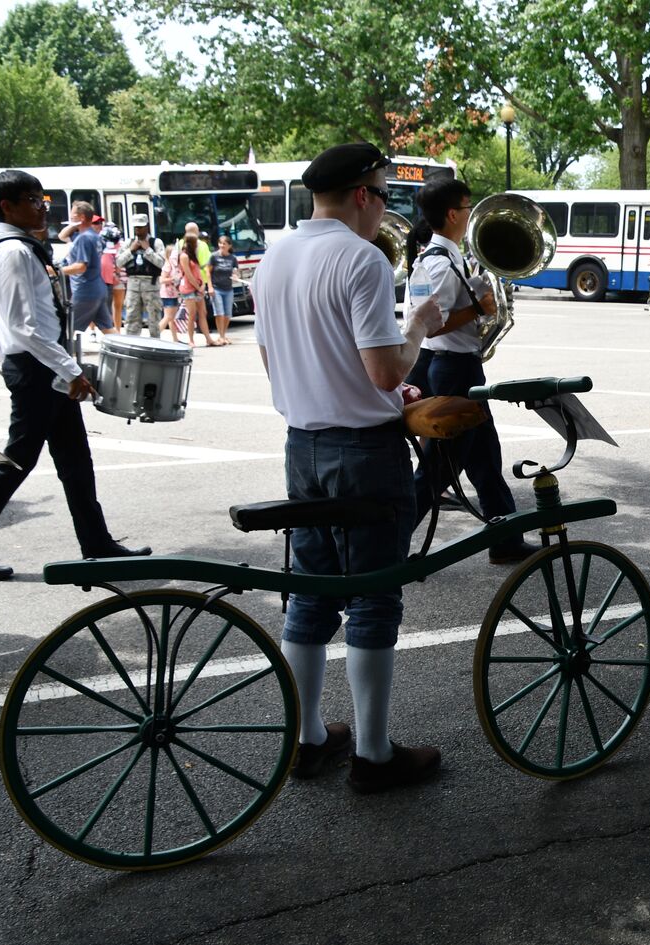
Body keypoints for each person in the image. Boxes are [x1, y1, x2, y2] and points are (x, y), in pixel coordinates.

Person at [252, 142, 444, 791]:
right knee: (372, 598)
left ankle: (307, 740)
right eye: (384, 194)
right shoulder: (360, 259)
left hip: (301, 445)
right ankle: (373, 754)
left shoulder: (273, 255)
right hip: (363, 453)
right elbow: (387, 366)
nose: (384, 207)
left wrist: (377, 394)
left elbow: (277, 363)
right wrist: (417, 325)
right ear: (363, 193)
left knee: (311, 592)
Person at [0, 171, 151, 581]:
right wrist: (69, 370)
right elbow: (23, 326)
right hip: (35, 368)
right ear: (7, 207)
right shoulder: (12, 251)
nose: (42, 207)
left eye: (42, 199)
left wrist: (66, 366)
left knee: (75, 460)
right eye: (32, 199)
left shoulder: (26, 248)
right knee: (18, 460)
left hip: (45, 365)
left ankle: (96, 542)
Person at [404, 177, 539, 565]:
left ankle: (506, 537)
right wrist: (481, 307)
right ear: (452, 214)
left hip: (453, 366)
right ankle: (389, 545)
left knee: (484, 459)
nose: (471, 213)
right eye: (467, 207)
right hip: (454, 369)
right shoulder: (441, 262)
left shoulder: (440, 259)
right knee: (438, 470)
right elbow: (432, 322)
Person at [60, 202, 113, 338]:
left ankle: (63, 358)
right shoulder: (95, 237)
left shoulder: (83, 238)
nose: (70, 217)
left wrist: (58, 271)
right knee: (109, 330)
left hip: (85, 291)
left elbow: (81, 266)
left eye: (73, 214)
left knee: (65, 329)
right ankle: (128, 355)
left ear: (81, 217)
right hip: (98, 289)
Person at [114, 213, 165, 338]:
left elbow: (161, 263)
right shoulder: (129, 243)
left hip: (151, 285)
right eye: (136, 227)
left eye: (141, 227)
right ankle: (133, 345)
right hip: (133, 285)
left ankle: (155, 346)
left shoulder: (156, 243)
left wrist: (148, 250)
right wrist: (131, 250)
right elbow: (118, 262)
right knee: (132, 319)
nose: (138, 229)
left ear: (147, 227)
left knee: (154, 319)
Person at [176, 233, 218, 347]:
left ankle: (208, 338)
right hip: (189, 288)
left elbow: (198, 271)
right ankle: (191, 339)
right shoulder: (184, 256)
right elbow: (188, 274)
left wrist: (202, 285)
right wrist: (197, 286)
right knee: (192, 314)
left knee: (202, 312)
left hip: (198, 286)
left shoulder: (194, 255)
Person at [208, 235, 238, 344]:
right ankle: (220, 336)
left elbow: (235, 270)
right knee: (219, 313)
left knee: (227, 314)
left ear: (229, 246)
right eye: (220, 243)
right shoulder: (214, 257)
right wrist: (210, 287)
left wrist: (235, 275)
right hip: (217, 288)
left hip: (228, 289)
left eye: (224, 244)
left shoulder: (232, 258)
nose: (222, 245)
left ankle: (224, 335)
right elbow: (208, 272)